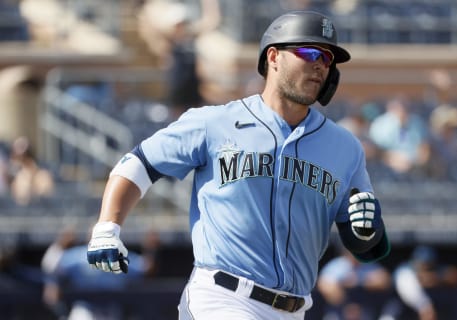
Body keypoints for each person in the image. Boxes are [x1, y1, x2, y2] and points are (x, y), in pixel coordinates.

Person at [87, 10, 390, 320]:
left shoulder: (345, 147)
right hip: (223, 299)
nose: (319, 64)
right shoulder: (214, 123)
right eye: (309, 51)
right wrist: (108, 227)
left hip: (295, 309)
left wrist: (368, 231)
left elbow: (367, 247)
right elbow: (138, 164)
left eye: (327, 59)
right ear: (273, 57)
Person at [317, 247, 392, 320]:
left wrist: (360, 281)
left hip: (364, 307)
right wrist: (347, 304)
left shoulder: (367, 264)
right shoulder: (338, 265)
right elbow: (324, 285)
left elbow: (385, 280)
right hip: (340, 308)